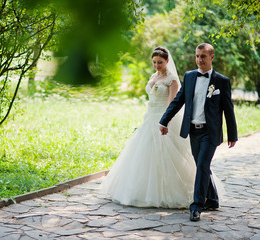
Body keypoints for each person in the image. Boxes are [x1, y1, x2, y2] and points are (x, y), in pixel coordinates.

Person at [101, 47, 196, 208]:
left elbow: (172, 103)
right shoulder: (154, 76)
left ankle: (169, 192)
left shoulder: (171, 80)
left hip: (162, 118)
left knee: (165, 154)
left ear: (167, 61)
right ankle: (140, 192)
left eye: (160, 62)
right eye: (154, 62)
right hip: (149, 117)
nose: (157, 65)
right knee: (143, 153)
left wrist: (165, 122)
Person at [159, 43, 238, 221]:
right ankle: (213, 199)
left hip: (210, 132)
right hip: (193, 130)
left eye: (203, 56)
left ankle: (196, 206)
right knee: (201, 166)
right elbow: (178, 101)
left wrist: (232, 135)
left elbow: (228, 109)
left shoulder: (222, 81)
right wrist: (164, 120)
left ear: (212, 57)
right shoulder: (189, 76)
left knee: (202, 166)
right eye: (197, 56)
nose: (199, 60)